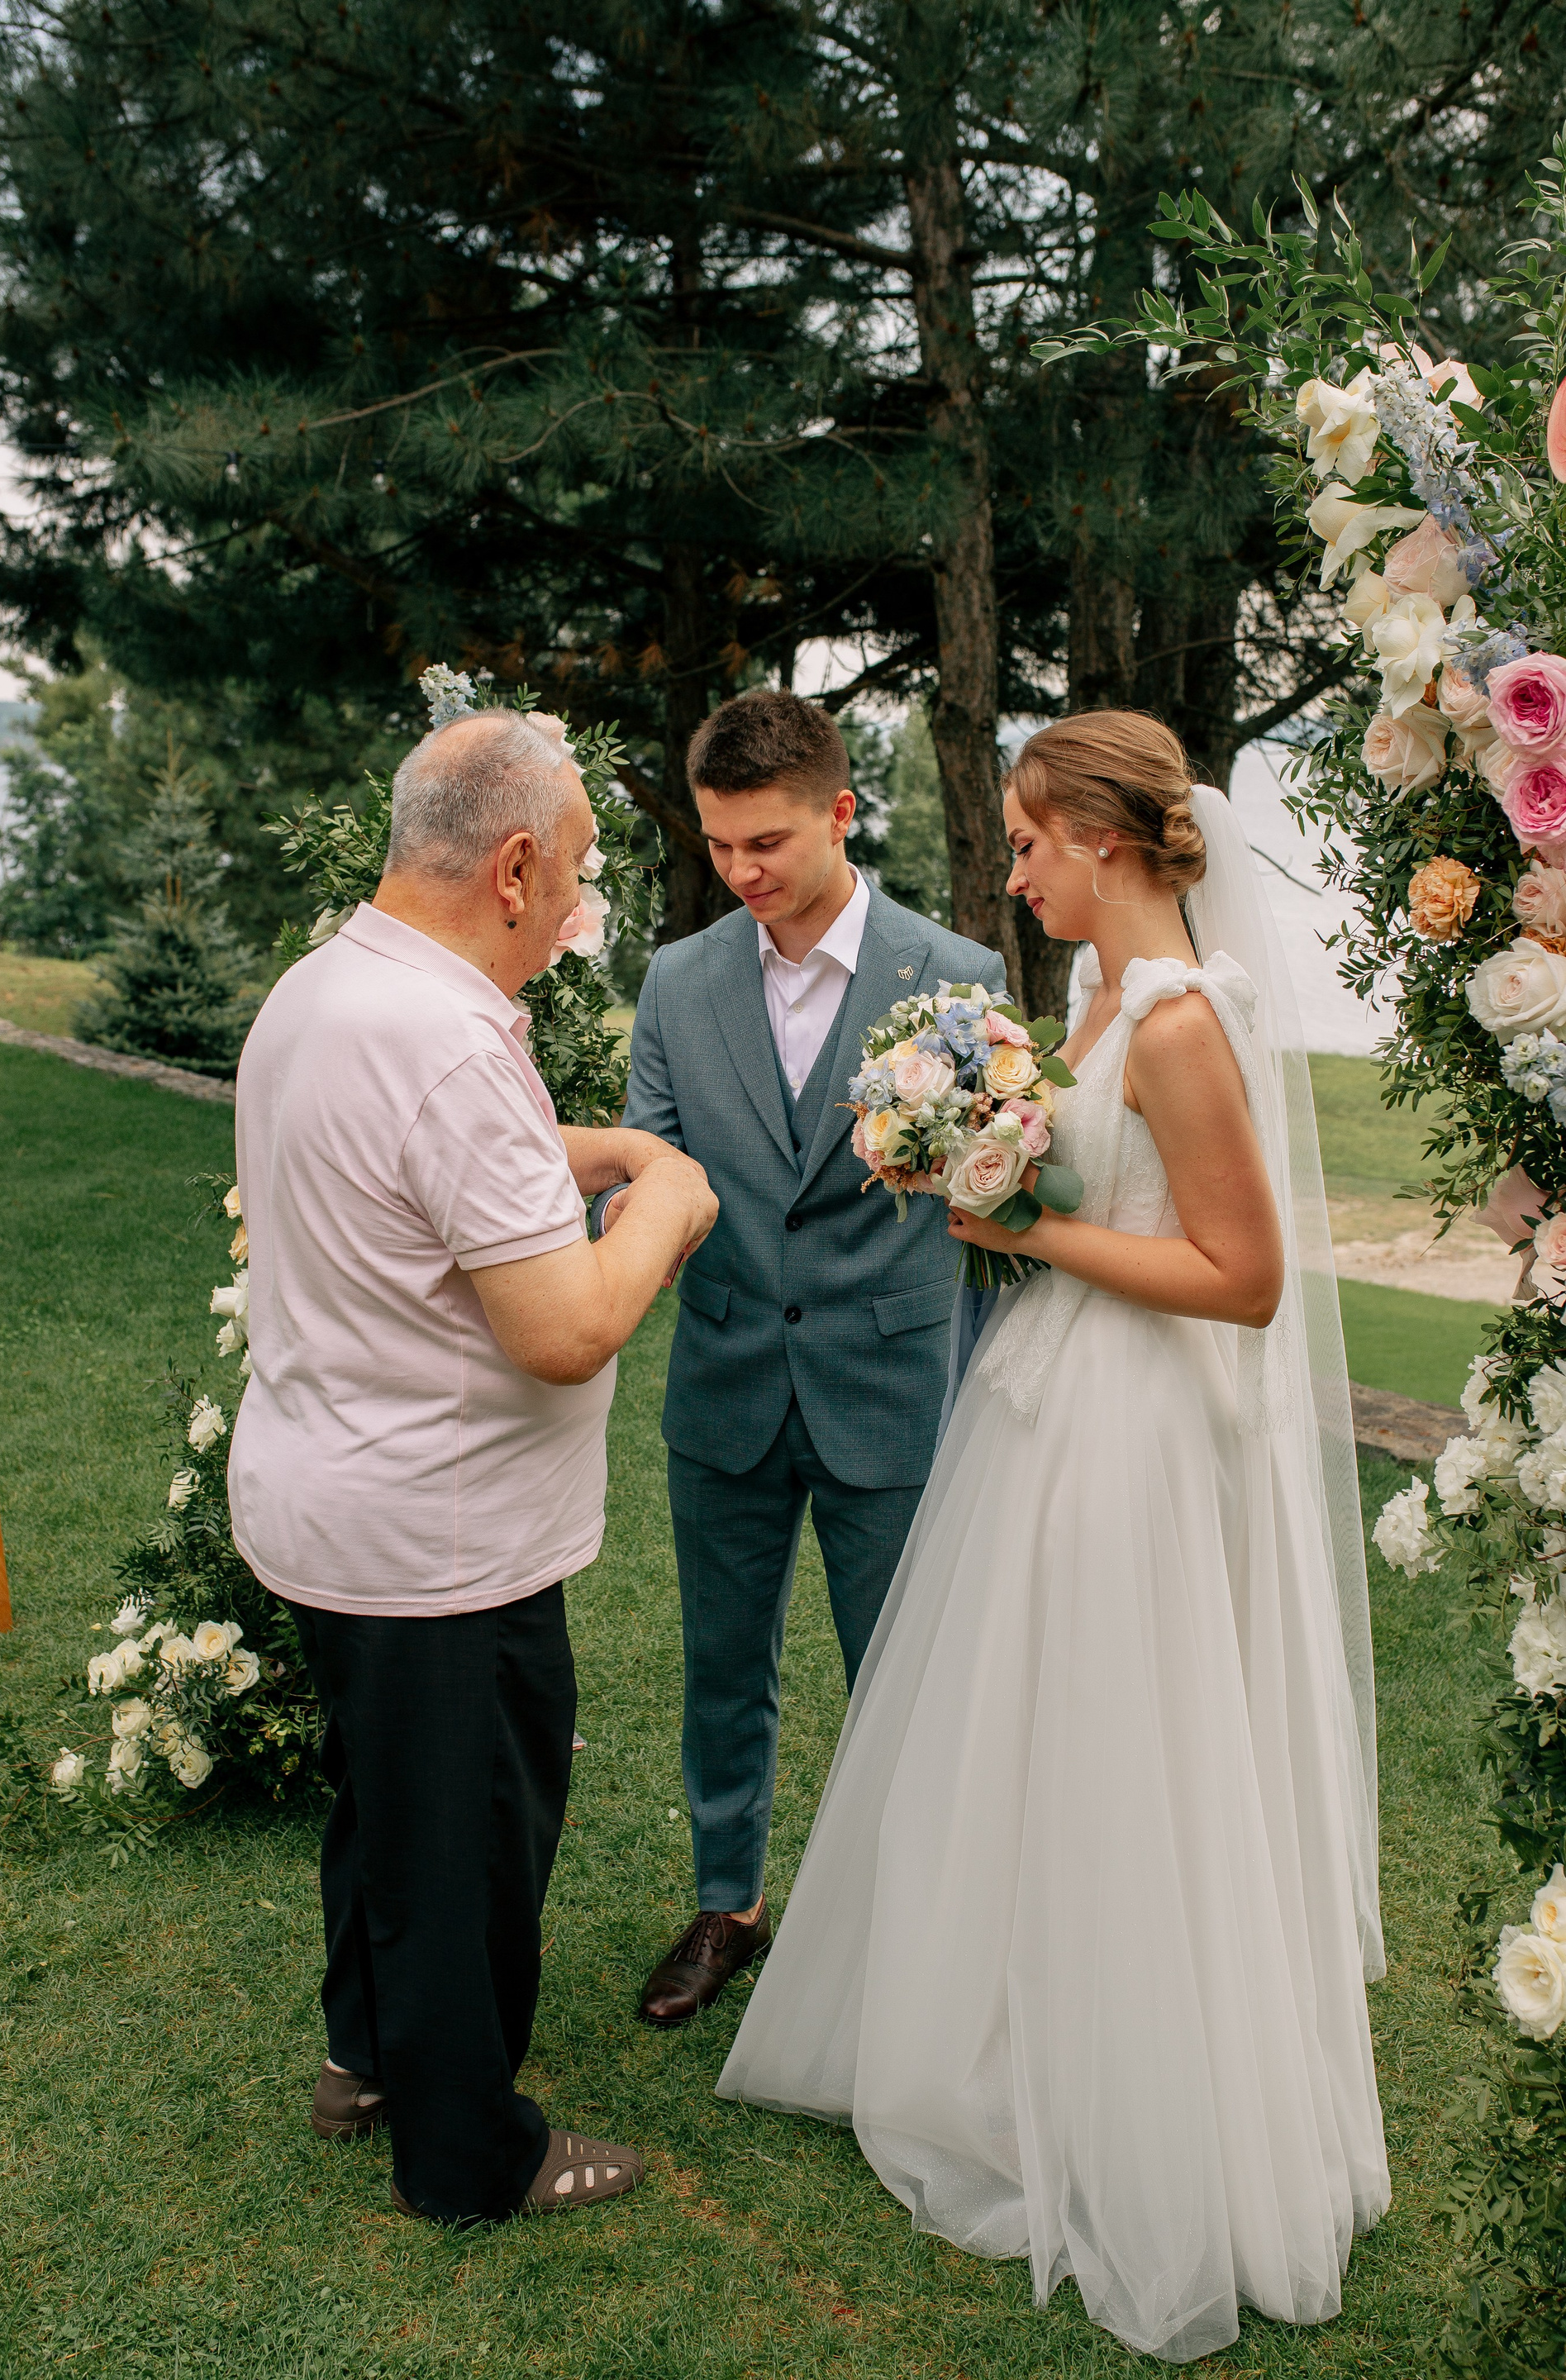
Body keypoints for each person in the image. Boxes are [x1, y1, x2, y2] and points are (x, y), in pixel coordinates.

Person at [717, 710, 1389, 2364]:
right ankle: (1031, 2043)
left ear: (1101, 838)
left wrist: (1030, 1231)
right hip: (1053, 1400)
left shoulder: (1178, 1020)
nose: (1012, 874)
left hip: (1133, 1425)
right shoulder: (1101, 995)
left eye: (1027, 844)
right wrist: (994, 1185)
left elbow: (1245, 1280)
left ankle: (1147, 2106)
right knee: (1038, 1737)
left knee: (1121, 1743)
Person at [228, 707, 718, 2227]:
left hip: (333, 1499)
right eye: (576, 866)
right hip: (437, 1540)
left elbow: (436, 1166)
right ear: (511, 868)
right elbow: (565, 1330)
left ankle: (364, 2058)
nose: (580, 898)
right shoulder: (442, 1038)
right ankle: (468, 2155)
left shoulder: (334, 986)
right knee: (467, 1848)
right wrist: (668, 1200)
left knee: (385, 1808)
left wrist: (601, 1152)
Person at [602, 688, 1005, 2027]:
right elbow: (649, 1164)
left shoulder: (955, 976)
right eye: (719, 845)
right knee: (724, 1670)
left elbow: (993, 1187)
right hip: (723, 1380)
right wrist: (622, 1233)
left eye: (766, 841)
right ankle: (729, 1905)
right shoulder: (680, 981)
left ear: (841, 811)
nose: (741, 871)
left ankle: (911, 1930)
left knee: (903, 1676)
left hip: (891, 1383)